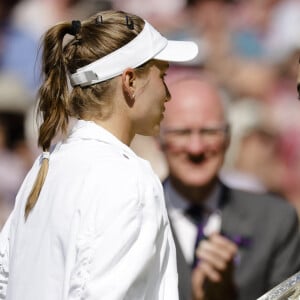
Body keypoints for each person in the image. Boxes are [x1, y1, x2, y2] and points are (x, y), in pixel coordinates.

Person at [0, 10, 198, 300]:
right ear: (130, 80)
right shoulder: (129, 177)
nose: (167, 94)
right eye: (162, 75)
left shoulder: (43, 170)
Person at [159, 76, 300, 300]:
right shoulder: (134, 218)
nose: (196, 147)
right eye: (182, 132)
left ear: (228, 137)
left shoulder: (276, 222)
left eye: (209, 131)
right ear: (160, 140)